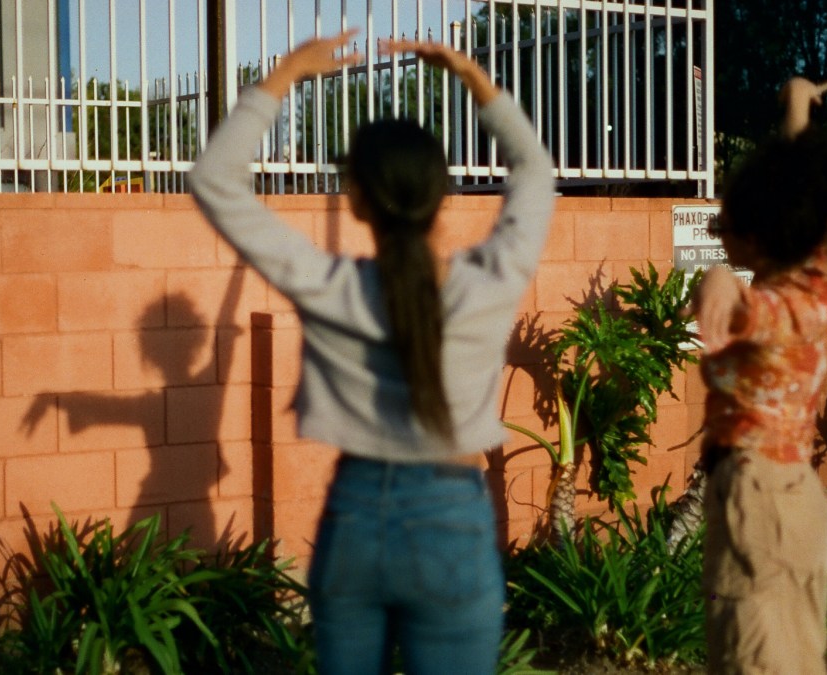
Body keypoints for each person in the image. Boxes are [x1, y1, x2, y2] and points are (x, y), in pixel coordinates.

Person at [190, 31, 554, 675]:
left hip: (356, 518)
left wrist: (284, 76)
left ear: (356, 200)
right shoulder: (491, 282)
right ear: (443, 193)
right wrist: (474, 78)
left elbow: (215, 180)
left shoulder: (330, 286)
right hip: (452, 519)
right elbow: (534, 172)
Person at [691, 78, 827, 674]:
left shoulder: (787, 303)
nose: (719, 234)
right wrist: (796, 106)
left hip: (758, 503)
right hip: (786, 500)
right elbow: (807, 192)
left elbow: (759, 313)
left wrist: (720, 283)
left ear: (759, 232)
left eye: (724, 226)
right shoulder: (823, 274)